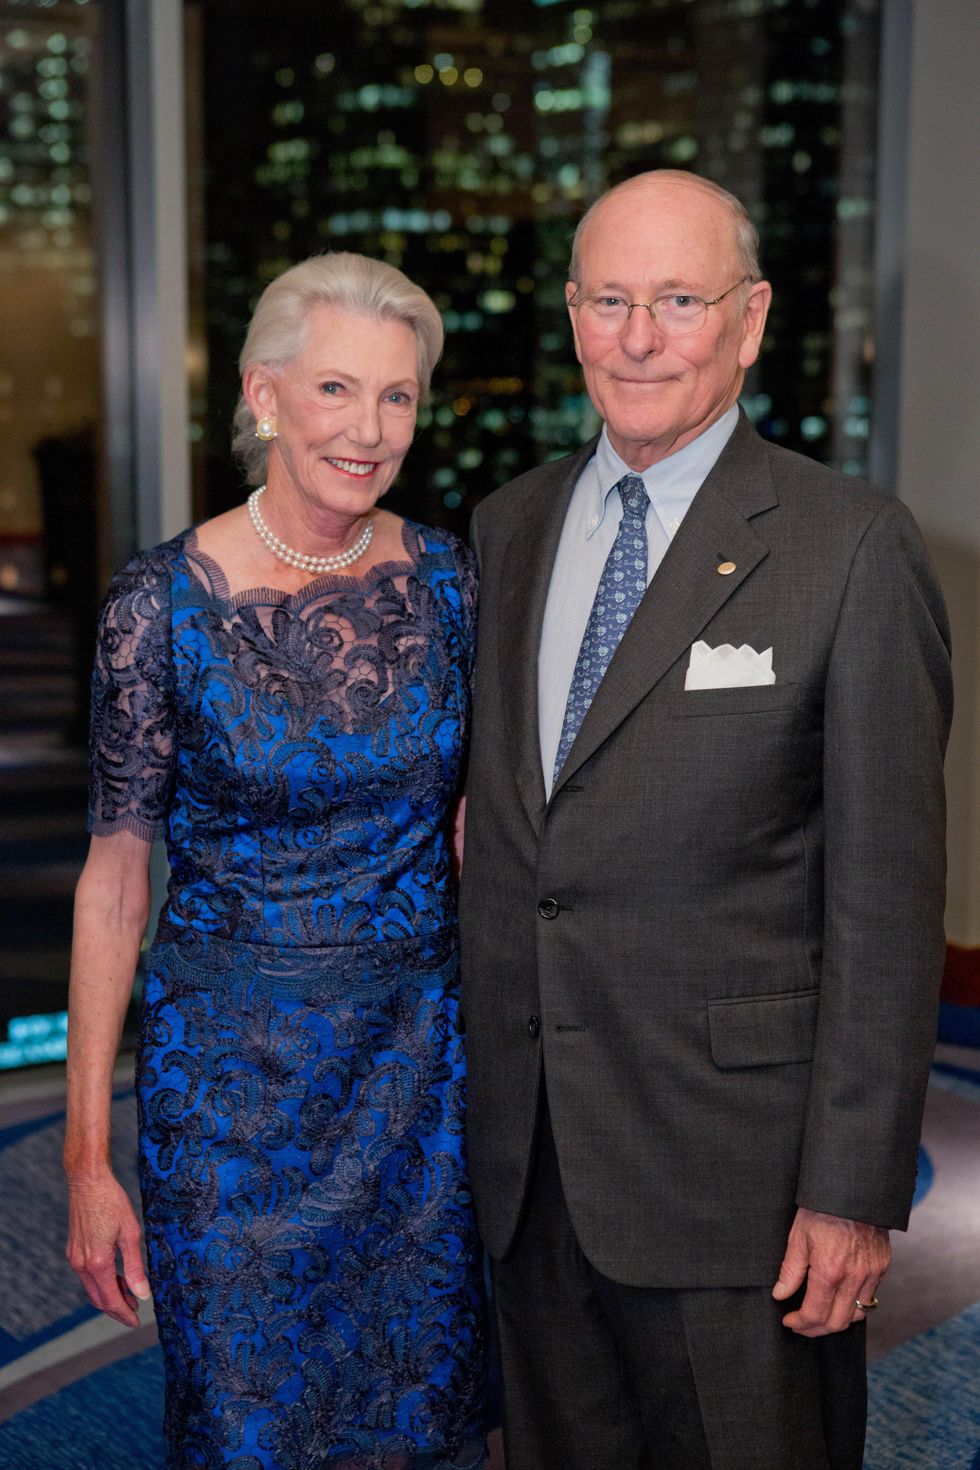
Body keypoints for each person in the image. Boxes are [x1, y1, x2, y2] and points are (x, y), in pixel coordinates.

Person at [458, 169, 952, 1469]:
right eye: (611, 299)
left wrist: (851, 1190)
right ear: (570, 315)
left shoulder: (851, 549)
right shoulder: (506, 529)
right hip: (530, 1165)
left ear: (751, 317)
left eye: (679, 300)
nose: (639, 336)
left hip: (737, 1182)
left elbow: (887, 904)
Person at [64, 252, 488, 1469]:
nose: (369, 430)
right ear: (262, 396)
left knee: (426, 1423)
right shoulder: (158, 607)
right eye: (337, 390)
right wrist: (89, 1159)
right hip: (232, 1104)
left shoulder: (454, 583)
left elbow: (479, 830)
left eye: (398, 397)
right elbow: (113, 885)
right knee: (251, 1427)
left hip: (422, 1086)